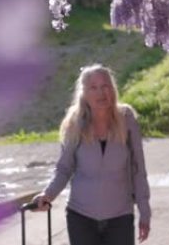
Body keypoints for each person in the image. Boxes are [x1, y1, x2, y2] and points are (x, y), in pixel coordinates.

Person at [31, 64, 151, 244]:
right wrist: (47, 195)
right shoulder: (75, 122)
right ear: (84, 94)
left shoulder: (126, 118)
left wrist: (145, 212)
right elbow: (64, 168)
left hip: (120, 216)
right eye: (93, 88)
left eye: (105, 86)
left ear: (113, 89)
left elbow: (138, 170)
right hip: (81, 216)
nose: (101, 93)